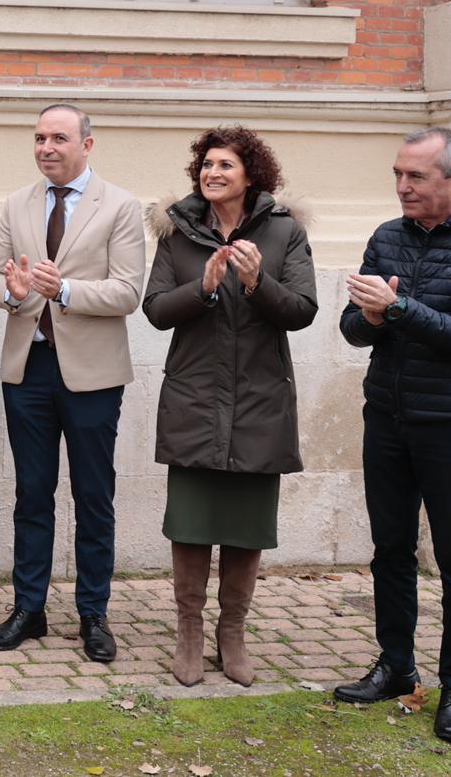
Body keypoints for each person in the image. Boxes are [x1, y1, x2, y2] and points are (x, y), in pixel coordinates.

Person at [333, 127, 451, 744]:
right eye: (398, 174)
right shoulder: (387, 237)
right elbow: (352, 329)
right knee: (390, 550)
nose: (402, 186)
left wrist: (398, 309)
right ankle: (396, 666)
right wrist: (369, 317)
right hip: (387, 418)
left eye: (415, 176)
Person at [141, 126, 318, 687]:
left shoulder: (285, 231)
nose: (212, 173)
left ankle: (233, 632)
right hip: (194, 397)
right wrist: (205, 287)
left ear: (250, 176)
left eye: (225, 165)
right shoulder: (178, 233)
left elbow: (302, 310)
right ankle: (189, 632)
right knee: (191, 524)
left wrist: (256, 281)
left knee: (246, 526)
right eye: (207, 164)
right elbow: (155, 309)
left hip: (260, 400)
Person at [0, 104, 145, 662]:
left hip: (92, 375)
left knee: (93, 496)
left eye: (58, 138)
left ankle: (93, 614)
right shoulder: (17, 203)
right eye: (39, 138)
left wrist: (64, 290)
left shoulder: (119, 205)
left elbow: (128, 292)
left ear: (87, 144)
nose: (46, 147)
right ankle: (29, 609)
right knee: (32, 493)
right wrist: (14, 294)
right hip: (28, 368)